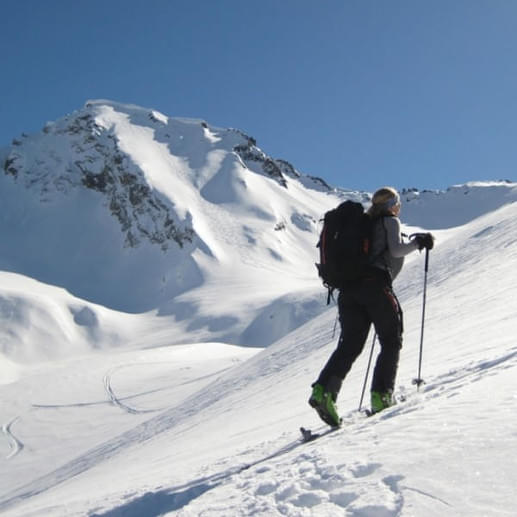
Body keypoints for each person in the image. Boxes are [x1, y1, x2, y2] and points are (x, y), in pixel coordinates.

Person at [309, 187, 434, 426]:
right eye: (397, 202)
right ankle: (381, 395)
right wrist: (419, 242)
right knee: (391, 339)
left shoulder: (363, 224)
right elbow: (396, 249)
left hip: (348, 292)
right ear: (392, 204)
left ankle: (323, 392)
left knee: (351, 345)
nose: (399, 207)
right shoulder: (390, 220)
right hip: (375, 287)